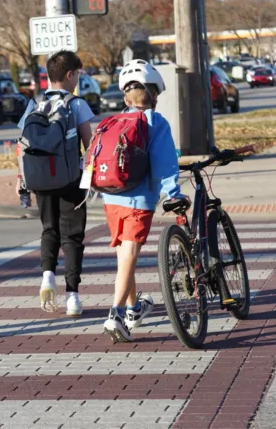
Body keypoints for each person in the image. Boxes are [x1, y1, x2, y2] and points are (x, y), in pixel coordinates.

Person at [101, 60, 189, 343]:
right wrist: (173, 194)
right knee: (129, 255)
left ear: (126, 96)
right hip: (139, 200)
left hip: (110, 196)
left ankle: (133, 309)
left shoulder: (111, 121)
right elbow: (165, 164)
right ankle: (115, 314)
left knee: (123, 257)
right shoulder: (155, 122)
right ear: (153, 94)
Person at [16, 51, 94, 316]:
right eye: (78, 75)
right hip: (71, 179)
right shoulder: (77, 104)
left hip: (41, 177)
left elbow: (23, 145)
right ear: (69, 75)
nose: (78, 81)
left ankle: (47, 276)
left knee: (49, 230)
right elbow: (89, 146)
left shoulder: (34, 104)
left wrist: (22, 180)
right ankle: (73, 296)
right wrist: (92, 178)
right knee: (72, 237)